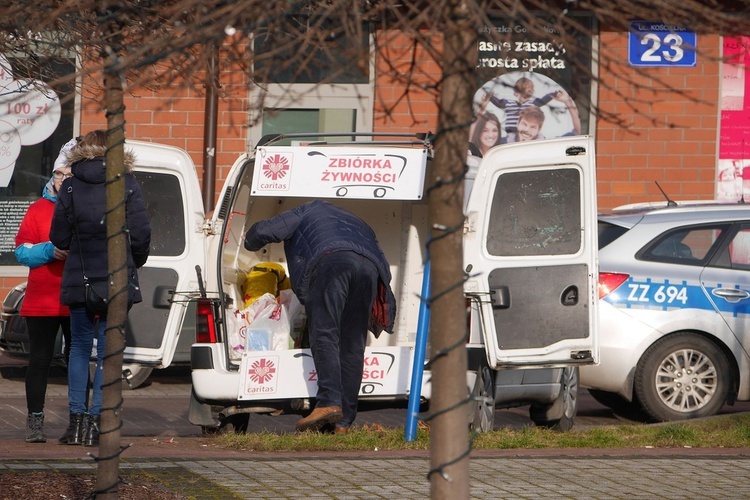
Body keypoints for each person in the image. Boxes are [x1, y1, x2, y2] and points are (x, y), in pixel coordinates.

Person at [244, 200, 396, 434]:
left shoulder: (307, 210)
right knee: (353, 345)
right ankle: (343, 423)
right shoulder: (358, 222)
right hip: (369, 270)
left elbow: (262, 233)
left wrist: (246, 237)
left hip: (330, 262)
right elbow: (382, 260)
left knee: (325, 334)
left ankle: (327, 403)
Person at [50, 130, 151, 446]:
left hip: (79, 278)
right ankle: (96, 424)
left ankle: (75, 424)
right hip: (116, 281)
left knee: (79, 348)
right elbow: (142, 234)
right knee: (109, 353)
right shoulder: (126, 182)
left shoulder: (70, 185)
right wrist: (134, 261)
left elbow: (59, 237)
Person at [13, 139, 77, 443]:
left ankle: (78, 420)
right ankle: (35, 421)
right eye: (59, 174)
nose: (62, 179)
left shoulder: (83, 207)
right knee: (39, 360)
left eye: (68, 174)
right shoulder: (37, 210)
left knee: (76, 361)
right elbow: (22, 252)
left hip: (76, 296)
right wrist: (50, 251)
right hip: (42, 298)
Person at [484, 76, 559, 134]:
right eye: (524, 90)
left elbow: (543, 100)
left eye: (530, 90)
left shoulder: (532, 104)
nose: (526, 93)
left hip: (525, 132)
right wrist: (490, 97)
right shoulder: (509, 103)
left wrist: (553, 94)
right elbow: (499, 103)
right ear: (516, 92)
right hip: (511, 132)